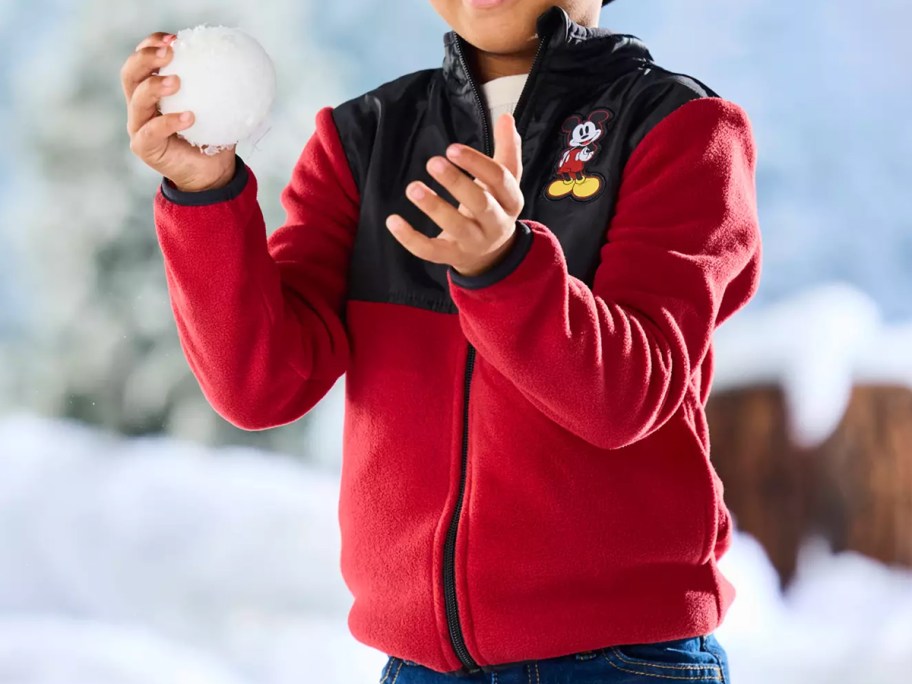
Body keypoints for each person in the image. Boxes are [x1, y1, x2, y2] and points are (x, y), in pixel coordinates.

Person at [121, 0, 760, 681]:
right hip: (421, 666)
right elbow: (261, 385)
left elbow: (628, 397)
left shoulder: (682, 129)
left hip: (622, 661)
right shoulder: (362, 138)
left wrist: (506, 271)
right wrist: (203, 193)